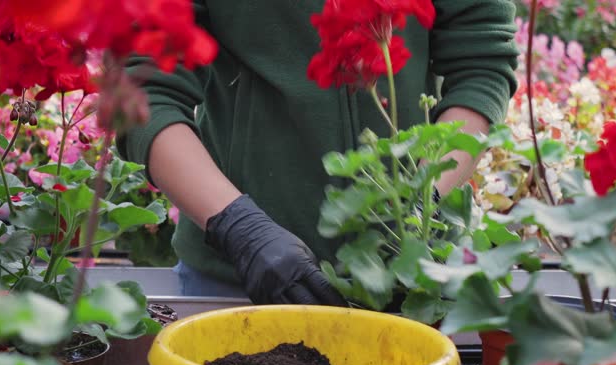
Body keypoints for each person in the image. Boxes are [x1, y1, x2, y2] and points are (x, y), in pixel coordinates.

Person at [116, 0, 519, 306]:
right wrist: (239, 228)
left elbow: (481, 62)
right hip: (240, 280)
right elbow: (143, 89)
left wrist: (420, 205)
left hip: (415, 274)